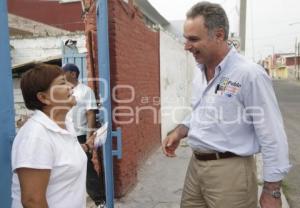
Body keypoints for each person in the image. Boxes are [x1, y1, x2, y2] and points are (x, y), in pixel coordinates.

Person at [162, 2, 291, 208]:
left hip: (231, 174)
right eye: (186, 39)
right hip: (195, 168)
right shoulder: (200, 71)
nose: (186, 46)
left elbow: (272, 133)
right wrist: (180, 131)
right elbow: (201, 112)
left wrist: (272, 190)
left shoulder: (249, 74)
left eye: (193, 39)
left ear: (219, 35)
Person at [11, 64, 95, 207]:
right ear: (43, 97)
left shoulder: (66, 124)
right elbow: (33, 201)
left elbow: (61, 159)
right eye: (63, 83)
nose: (71, 86)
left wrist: (87, 145)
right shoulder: (35, 136)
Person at [62, 63, 105, 207]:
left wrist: (89, 137)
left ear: (73, 74)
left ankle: (99, 200)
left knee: (86, 167)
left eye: (64, 72)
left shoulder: (86, 91)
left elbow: (91, 113)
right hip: (65, 135)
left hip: (80, 135)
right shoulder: (62, 91)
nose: (62, 74)